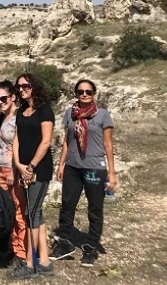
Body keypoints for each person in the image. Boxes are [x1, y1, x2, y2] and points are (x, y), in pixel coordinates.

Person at [50, 79, 116, 267]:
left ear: (94, 93)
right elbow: (66, 141)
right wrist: (61, 164)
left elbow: (108, 145)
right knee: (67, 205)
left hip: (95, 167)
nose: (84, 94)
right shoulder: (70, 113)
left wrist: (112, 173)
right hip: (72, 166)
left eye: (88, 91)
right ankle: (64, 242)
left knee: (95, 208)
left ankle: (91, 246)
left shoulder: (103, 115)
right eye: (80, 91)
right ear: (76, 93)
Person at [7, 73, 55, 279]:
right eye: (19, 86)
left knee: (31, 215)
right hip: (24, 168)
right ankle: (44, 262)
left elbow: (46, 141)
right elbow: (16, 138)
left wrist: (31, 167)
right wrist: (18, 164)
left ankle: (30, 263)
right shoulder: (21, 111)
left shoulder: (44, 110)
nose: (22, 88)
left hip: (39, 170)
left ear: (34, 86)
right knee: (36, 213)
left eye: (26, 85)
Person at [0, 80, 25, 265]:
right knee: (7, 211)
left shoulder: (18, 118)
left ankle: (22, 253)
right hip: (2, 170)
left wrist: (14, 170)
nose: (0, 102)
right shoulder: (4, 117)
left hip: (12, 170)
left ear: (13, 97)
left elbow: (17, 146)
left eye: (3, 98)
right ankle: (13, 248)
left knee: (18, 211)